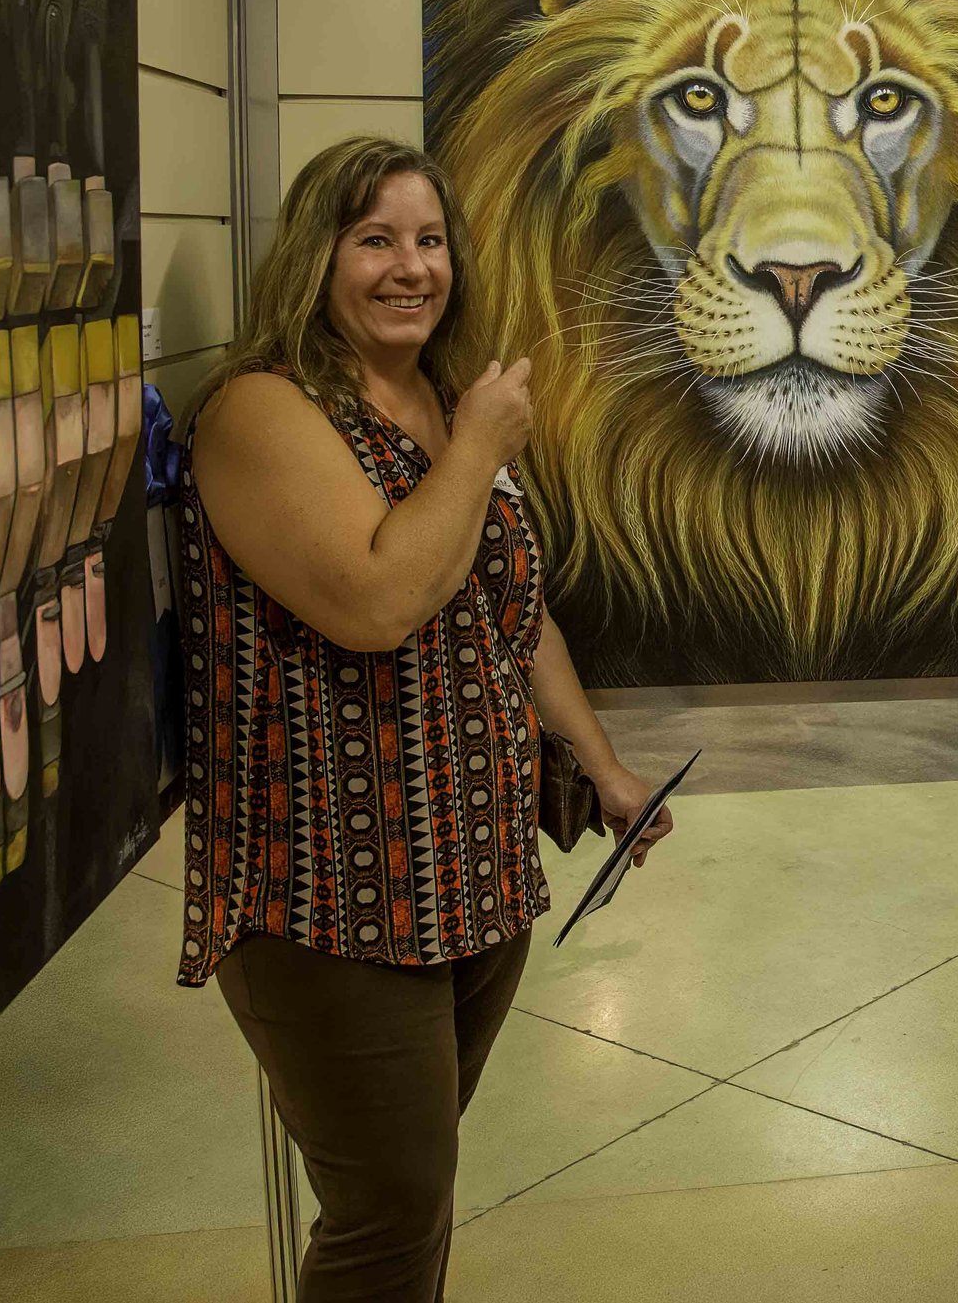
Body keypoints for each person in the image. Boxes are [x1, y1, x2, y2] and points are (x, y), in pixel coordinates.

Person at [174, 137, 673, 1302]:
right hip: (328, 886)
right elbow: (380, 601)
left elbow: (510, 609)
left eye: (431, 240)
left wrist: (600, 766)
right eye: (376, 240)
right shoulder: (263, 407)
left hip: (468, 868)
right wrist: (483, 447)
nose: (412, 268)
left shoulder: (440, 401)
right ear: (316, 256)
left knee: (417, 1186)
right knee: (386, 1206)